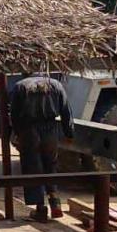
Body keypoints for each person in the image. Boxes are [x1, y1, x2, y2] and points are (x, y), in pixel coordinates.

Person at [10, 74, 74, 222]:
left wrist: (18, 134)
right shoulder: (56, 84)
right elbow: (66, 111)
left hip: (29, 129)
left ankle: (40, 208)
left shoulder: (20, 86)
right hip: (50, 129)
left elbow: (14, 114)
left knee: (33, 168)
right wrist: (69, 133)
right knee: (51, 165)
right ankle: (55, 203)